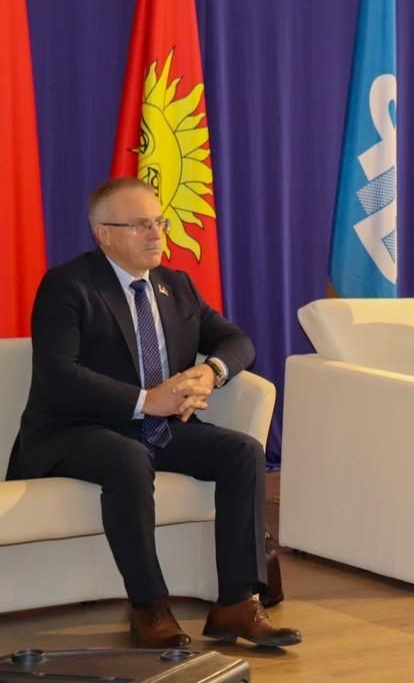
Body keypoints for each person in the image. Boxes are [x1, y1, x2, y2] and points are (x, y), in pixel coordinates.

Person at [7, 178, 300, 648]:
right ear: (104, 234)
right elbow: (59, 375)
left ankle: (237, 603)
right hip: (74, 431)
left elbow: (237, 341)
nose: (156, 233)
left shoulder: (175, 286)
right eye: (141, 224)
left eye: (159, 222)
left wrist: (211, 373)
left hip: (156, 428)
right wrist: (147, 401)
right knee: (128, 458)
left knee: (243, 452)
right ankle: (149, 607)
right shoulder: (68, 286)